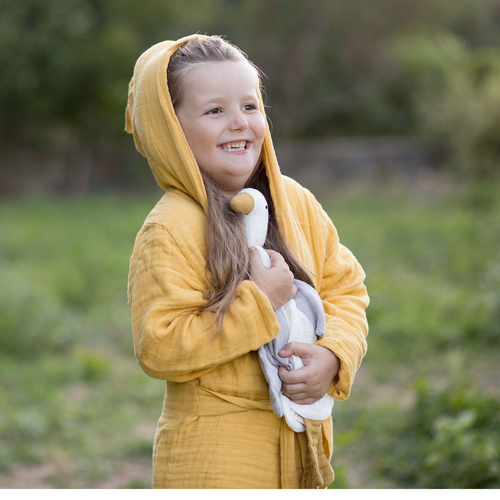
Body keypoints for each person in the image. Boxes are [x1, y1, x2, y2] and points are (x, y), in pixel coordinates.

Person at [125, 34, 369, 489]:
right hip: (215, 462)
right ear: (171, 130)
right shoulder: (171, 228)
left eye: (250, 106)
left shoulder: (294, 201)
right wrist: (257, 302)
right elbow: (160, 344)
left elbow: (345, 288)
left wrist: (334, 355)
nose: (239, 123)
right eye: (215, 111)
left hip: (300, 451)